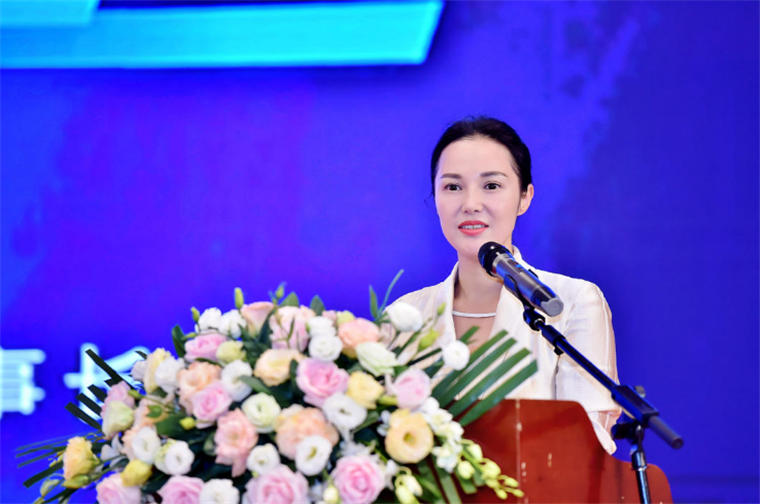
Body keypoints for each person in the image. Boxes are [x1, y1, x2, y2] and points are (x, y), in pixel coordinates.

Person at [391, 116, 621, 454]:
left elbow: (588, 443)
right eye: (452, 187)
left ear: (525, 197)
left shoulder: (572, 302)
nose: (470, 203)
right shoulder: (405, 316)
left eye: (491, 185)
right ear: (435, 197)